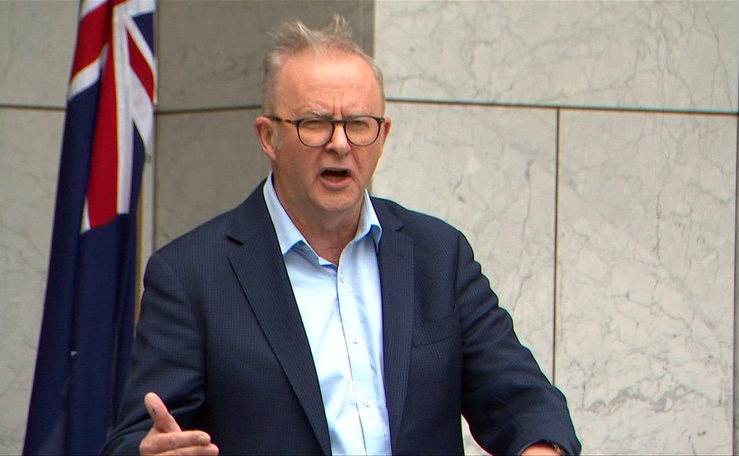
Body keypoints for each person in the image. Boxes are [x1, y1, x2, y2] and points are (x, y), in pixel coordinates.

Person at [101, 15, 580, 456]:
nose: (339, 143)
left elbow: (522, 398)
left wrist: (540, 446)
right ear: (268, 137)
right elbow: (134, 438)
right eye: (314, 124)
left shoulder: (438, 255)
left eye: (358, 124)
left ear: (384, 134)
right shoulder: (191, 274)